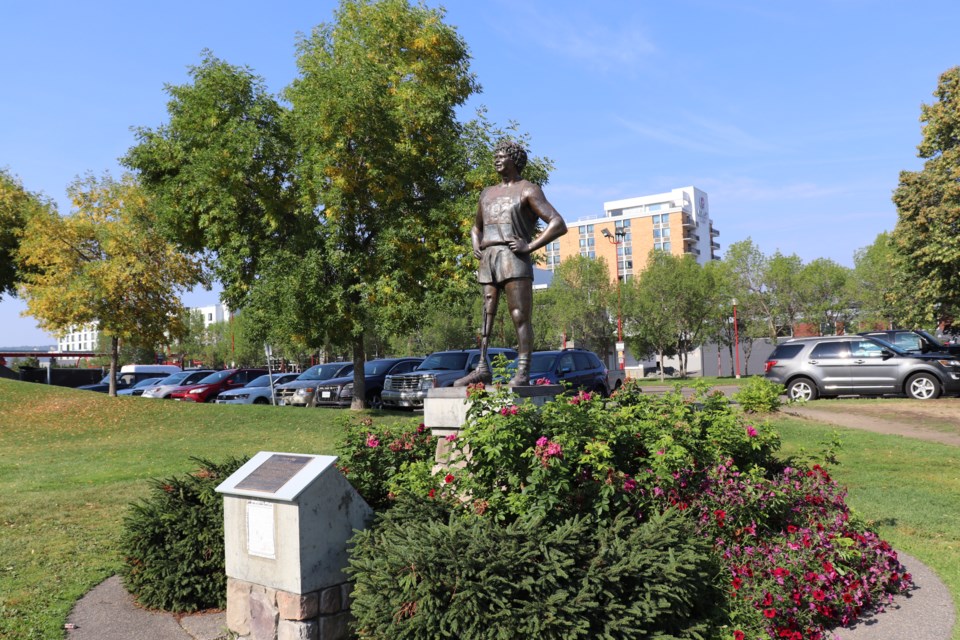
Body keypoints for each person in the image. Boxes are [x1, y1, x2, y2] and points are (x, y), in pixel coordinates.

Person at [455, 139, 567, 387]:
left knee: (519, 316)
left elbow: (558, 223)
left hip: (514, 258)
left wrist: (529, 246)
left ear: (514, 159)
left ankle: (523, 371)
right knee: (486, 314)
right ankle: (482, 368)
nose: (496, 159)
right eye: (495, 155)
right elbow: (476, 227)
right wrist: (476, 241)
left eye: (502, 155)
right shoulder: (487, 193)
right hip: (489, 257)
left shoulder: (528, 189)